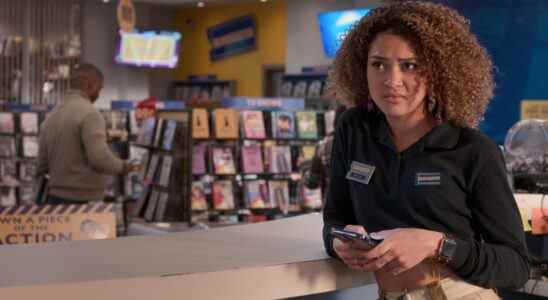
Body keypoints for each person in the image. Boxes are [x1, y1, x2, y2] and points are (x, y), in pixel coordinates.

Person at [322, 2, 529, 299]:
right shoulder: (353, 130)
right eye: (378, 64)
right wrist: (338, 242)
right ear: (360, 67)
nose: (392, 81)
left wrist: (438, 245)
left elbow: (515, 266)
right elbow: (335, 220)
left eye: (410, 65)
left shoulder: (472, 150)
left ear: (437, 71)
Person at [37, 63, 139, 204]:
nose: (98, 94)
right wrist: (125, 166)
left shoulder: (52, 116)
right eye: (99, 89)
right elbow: (99, 159)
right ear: (91, 85)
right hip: (83, 201)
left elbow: (42, 164)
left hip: (54, 199)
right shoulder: (90, 114)